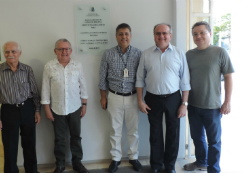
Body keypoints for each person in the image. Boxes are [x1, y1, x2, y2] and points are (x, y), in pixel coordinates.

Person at [136, 23, 191, 173]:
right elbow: (139, 80)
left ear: (170, 35)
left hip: (174, 98)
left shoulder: (179, 54)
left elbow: (185, 82)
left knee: (173, 133)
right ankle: (155, 165)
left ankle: (170, 165)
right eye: (158, 33)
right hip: (152, 98)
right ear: (154, 35)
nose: (161, 36)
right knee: (155, 133)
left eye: (165, 33)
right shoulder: (146, 54)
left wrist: (184, 104)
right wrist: (140, 100)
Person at [183, 21, 234, 173]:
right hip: (192, 105)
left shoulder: (220, 52)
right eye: (195, 34)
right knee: (197, 139)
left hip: (212, 106)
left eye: (202, 32)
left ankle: (213, 169)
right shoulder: (188, 55)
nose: (198, 36)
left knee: (214, 142)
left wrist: (227, 101)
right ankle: (201, 162)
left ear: (210, 34)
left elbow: (229, 77)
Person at [0, 41, 41, 173]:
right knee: (10, 145)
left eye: (13, 51)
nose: (10, 54)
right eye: (7, 52)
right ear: (4, 54)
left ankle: (32, 171)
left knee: (30, 143)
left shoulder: (27, 69)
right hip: (8, 111)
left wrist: (37, 110)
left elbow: (35, 91)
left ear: (19, 53)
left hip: (27, 108)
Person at [98, 23, 142, 173]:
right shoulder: (108, 53)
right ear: (116, 36)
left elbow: (142, 78)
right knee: (115, 130)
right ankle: (115, 159)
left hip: (133, 97)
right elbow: (102, 77)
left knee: (133, 130)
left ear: (130, 35)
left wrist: (141, 99)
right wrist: (103, 97)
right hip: (114, 96)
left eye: (126, 34)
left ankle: (133, 157)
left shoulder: (138, 53)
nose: (124, 37)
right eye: (121, 34)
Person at [41, 39, 89, 173]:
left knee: (76, 137)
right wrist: (46, 108)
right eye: (61, 49)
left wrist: (84, 105)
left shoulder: (77, 65)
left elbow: (83, 86)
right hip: (56, 109)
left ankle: (77, 163)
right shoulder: (49, 66)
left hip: (75, 107)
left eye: (67, 49)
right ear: (55, 51)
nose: (64, 52)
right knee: (59, 139)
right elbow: (45, 88)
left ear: (71, 50)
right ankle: (60, 164)